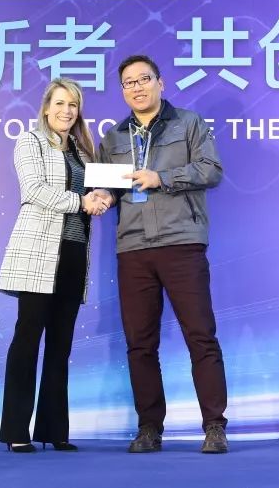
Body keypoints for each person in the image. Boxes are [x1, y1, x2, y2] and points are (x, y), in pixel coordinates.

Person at [93, 55, 229, 454]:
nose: (137, 87)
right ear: (123, 90)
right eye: (128, 82)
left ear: (160, 82)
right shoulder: (113, 137)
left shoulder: (189, 123)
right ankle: (149, 428)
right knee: (140, 344)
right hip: (133, 247)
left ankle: (215, 426)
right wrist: (102, 196)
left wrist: (163, 177)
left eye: (144, 79)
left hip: (181, 242)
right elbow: (110, 187)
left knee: (200, 336)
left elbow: (211, 170)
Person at [0, 78, 108, 453]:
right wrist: (81, 202)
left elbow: (95, 192)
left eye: (73, 104)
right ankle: (16, 430)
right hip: (38, 253)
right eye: (60, 103)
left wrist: (103, 196)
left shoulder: (83, 151)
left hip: (74, 253)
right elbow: (34, 190)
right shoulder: (30, 141)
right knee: (27, 340)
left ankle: (54, 430)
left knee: (61, 346)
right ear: (46, 108)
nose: (66, 110)